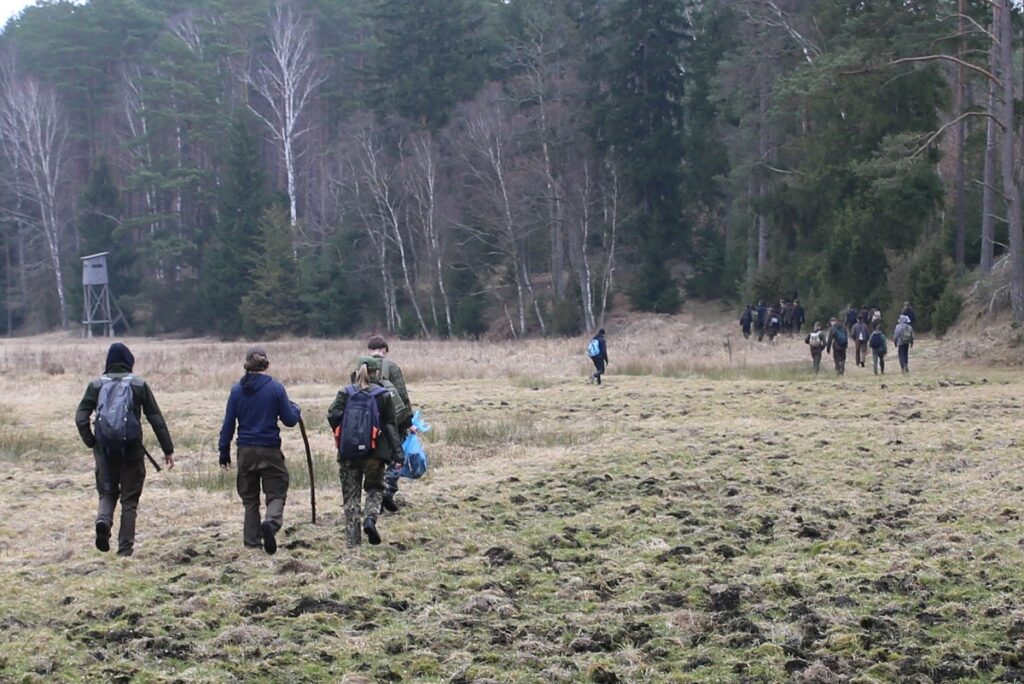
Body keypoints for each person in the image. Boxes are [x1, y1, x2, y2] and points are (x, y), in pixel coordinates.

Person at [75, 342, 175, 557]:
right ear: (129, 362)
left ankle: (103, 521)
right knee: (129, 500)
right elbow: (156, 419)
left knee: (107, 492)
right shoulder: (138, 385)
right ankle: (125, 549)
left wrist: (92, 442)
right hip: (132, 450)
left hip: (104, 451)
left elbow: (80, 417)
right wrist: (167, 449)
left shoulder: (95, 385)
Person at [218, 347, 301, 555]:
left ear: (247, 364)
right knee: (276, 492)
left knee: (250, 499)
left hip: (245, 450)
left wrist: (224, 451)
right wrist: (296, 409)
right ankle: (271, 524)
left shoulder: (237, 390)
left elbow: (228, 423)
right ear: (267, 365)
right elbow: (290, 420)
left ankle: (252, 543)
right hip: (269, 449)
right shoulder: (275, 388)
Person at [328, 356, 403, 547]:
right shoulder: (383, 394)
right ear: (377, 373)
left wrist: (344, 433)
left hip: (347, 453)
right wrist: (397, 453)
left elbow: (332, 414)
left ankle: (353, 544)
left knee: (351, 498)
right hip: (375, 454)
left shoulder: (345, 393)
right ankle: (370, 518)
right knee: (375, 489)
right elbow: (390, 426)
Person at [368, 335, 412, 514]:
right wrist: (408, 421)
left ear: (370, 350)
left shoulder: (360, 367)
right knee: (396, 457)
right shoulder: (392, 367)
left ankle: (375, 501)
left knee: (375, 460)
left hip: (368, 424)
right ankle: (388, 490)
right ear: (385, 350)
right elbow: (401, 394)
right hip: (392, 422)